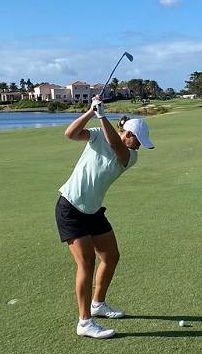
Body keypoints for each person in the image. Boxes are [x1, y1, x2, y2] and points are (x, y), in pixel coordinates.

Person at [55, 95, 154, 339]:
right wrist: (91, 112)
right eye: (138, 140)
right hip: (70, 207)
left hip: (93, 210)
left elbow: (117, 148)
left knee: (111, 256)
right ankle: (84, 322)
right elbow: (70, 134)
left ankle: (97, 304)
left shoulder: (130, 156)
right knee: (86, 264)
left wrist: (102, 116)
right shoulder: (98, 134)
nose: (140, 146)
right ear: (128, 134)